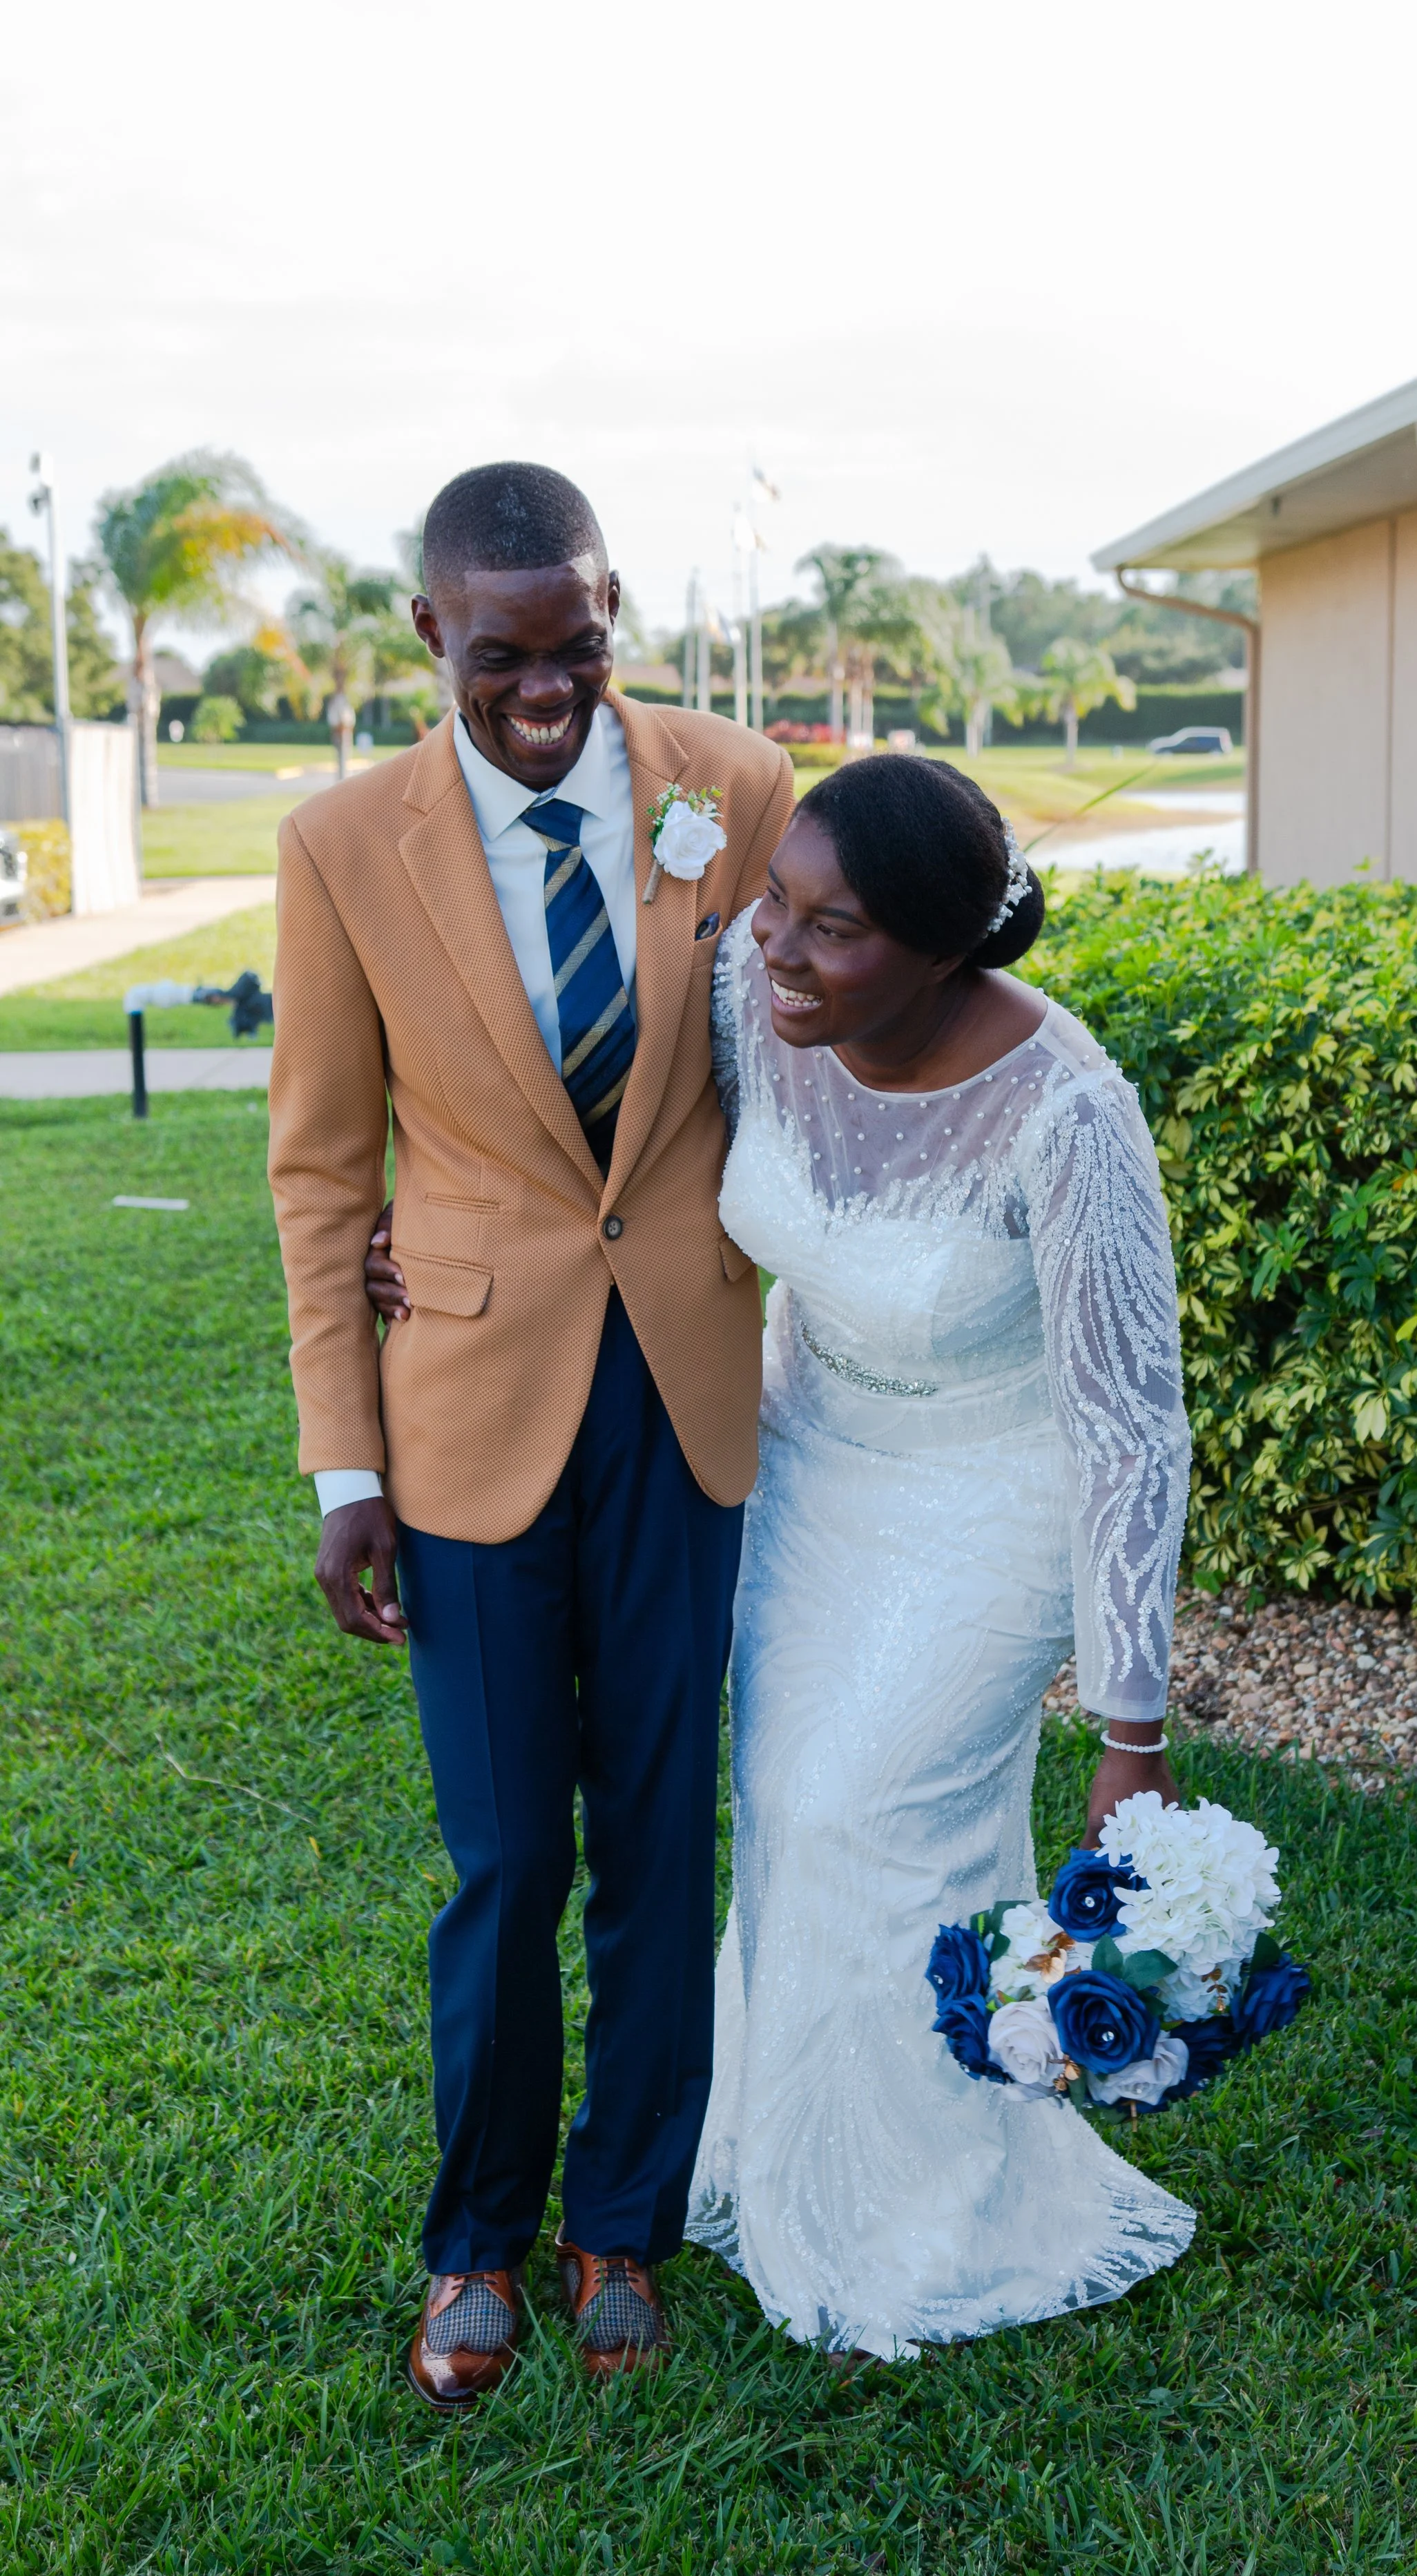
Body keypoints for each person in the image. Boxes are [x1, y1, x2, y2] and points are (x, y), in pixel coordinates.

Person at [368, 753, 1197, 2362]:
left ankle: (933, 2198)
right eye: (777, 905)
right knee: (792, 1819)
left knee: (856, 1807)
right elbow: (603, 1163)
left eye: (838, 931)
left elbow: (1127, 1426)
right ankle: (785, 2148)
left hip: (986, 1492)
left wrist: (1130, 1730)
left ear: (948, 948)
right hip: (806, 1459)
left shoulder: (1068, 1112)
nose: (781, 949)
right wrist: (433, 1223)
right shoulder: (762, 1007)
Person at [267, 461, 795, 2407]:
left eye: (580, 642)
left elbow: (808, 1036)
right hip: (466, 1407)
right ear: (430, 635)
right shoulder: (342, 845)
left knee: (665, 1831)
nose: (549, 687)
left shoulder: (734, 789)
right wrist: (343, 1463)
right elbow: (324, 1171)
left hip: (686, 1385)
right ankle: (475, 2236)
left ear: (610, 607)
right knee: (505, 1856)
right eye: (506, 655)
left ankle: (621, 2222)